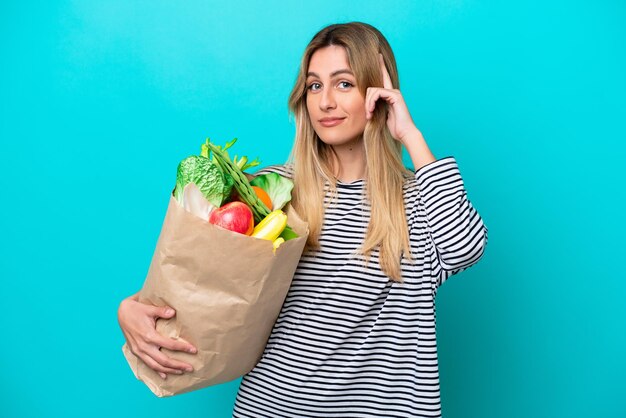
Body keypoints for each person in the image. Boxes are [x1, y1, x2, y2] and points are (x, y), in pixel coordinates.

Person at [118, 21, 488, 417]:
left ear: (378, 93)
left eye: (344, 83)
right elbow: (200, 278)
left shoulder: (418, 199)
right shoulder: (271, 193)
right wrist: (131, 308)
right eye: (315, 85)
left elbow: (464, 249)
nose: (325, 101)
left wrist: (409, 134)